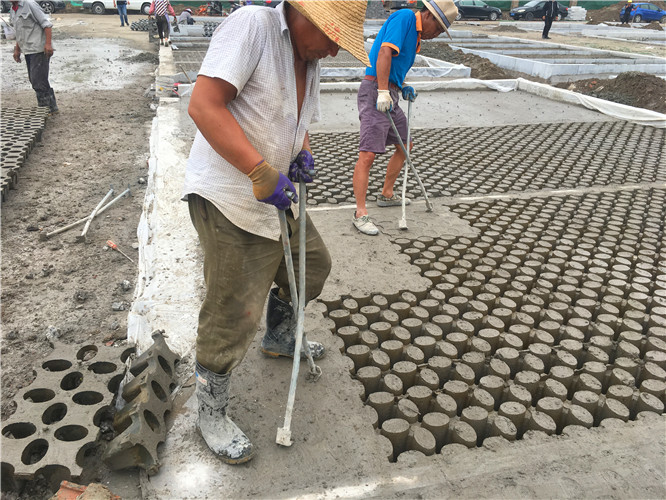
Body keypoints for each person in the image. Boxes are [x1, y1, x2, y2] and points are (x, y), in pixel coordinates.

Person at [182, 0, 369, 464]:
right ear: (307, 17)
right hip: (230, 197)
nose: (334, 51)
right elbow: (203, 105)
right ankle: (210, 410)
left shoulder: (309, 57)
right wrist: (259, 170)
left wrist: (300, 152)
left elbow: (296, 122)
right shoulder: (254, 27)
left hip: (275, 195)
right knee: (232, 310)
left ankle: (279, 336)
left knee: (313, 266)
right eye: (333, 38)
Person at [351, 0, 458, 236]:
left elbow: (395, 65)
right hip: (375, 91)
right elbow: (384, 52)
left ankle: (386, 194)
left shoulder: (417, 35)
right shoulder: (405, 18)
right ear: (428, 16)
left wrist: (402, 85)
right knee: (368, 154)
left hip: (390, 92)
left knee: (405, 145)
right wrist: (381, 90)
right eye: (438, 29)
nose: (436, 35)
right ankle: (360, 213)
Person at [10, 0, 58, 113]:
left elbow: (47, 25)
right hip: (28, 49)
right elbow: (19, 32)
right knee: (35, 79)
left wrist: (48, 44)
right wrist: (17, 49)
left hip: (39, 48)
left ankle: (46, 110)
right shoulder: (13, 10)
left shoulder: (30, 5)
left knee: (38, 80)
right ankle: (51, 107)